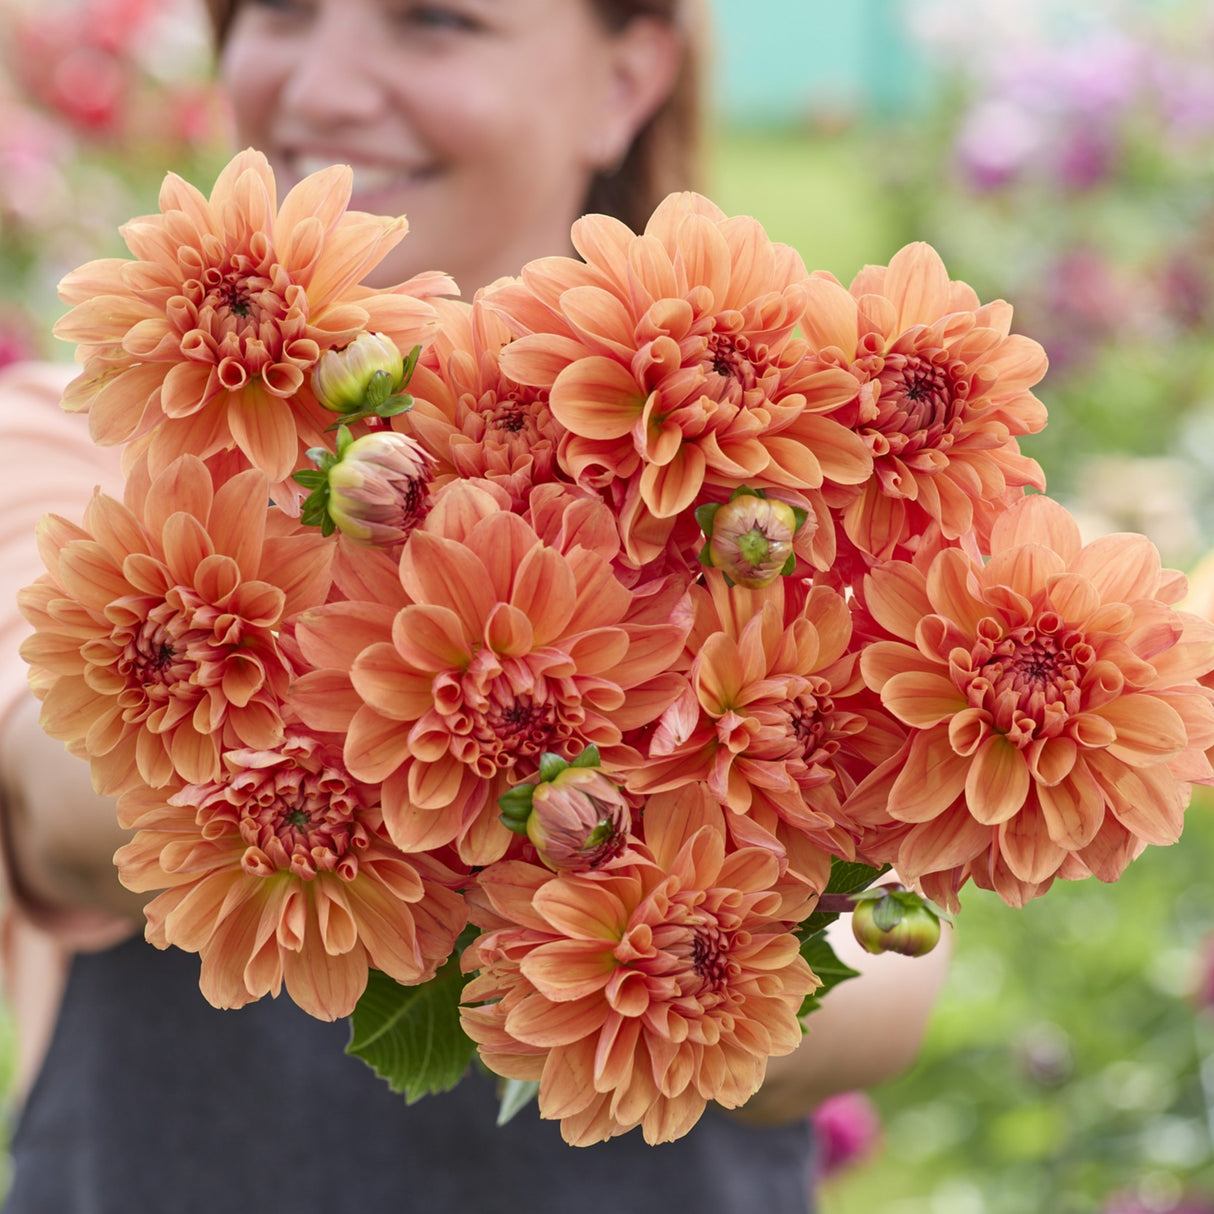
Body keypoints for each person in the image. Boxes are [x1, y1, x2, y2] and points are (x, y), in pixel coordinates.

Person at [0, 2, 949, 1210]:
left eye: (433, 20)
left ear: (626, 74)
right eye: (280, 8)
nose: (328, 86)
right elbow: (60, 790)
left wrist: (664, 951)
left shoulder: (785, 490)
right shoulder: (74, 444)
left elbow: (876, 984)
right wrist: (531, 803)